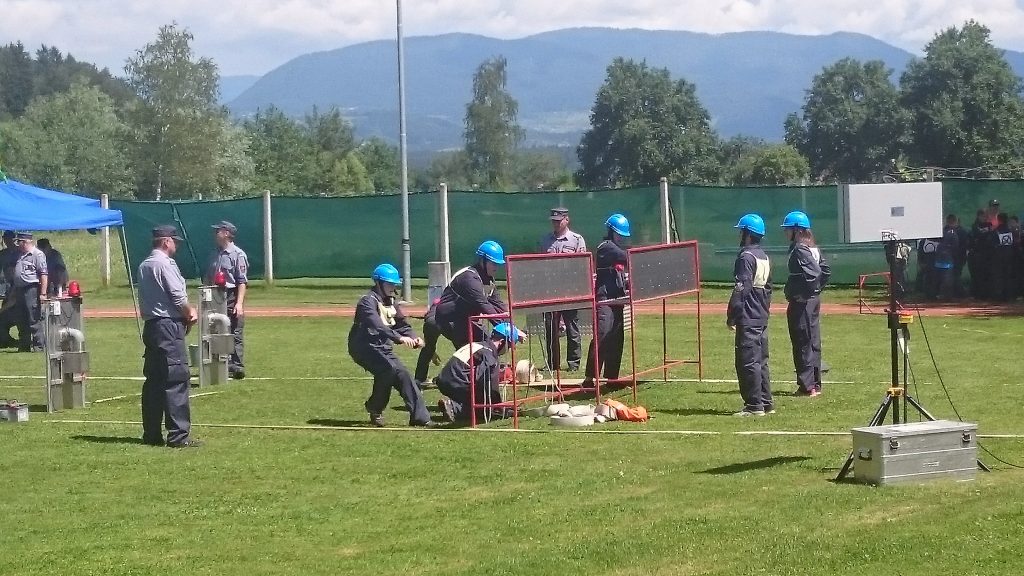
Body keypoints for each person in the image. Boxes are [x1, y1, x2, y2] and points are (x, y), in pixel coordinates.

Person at [348, 263, 436, 428]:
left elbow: (401, 324)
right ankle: (375, 408)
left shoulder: (391, 302)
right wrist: (399, 338)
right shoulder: (367, 302)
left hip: (382, 348)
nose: (393, 288)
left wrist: (414, 337)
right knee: (388, 369)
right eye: (390, 284)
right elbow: (378, 326)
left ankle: (420, 418)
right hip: (364, 347)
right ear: (378, 283)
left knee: (404, 375)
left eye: (394, 284)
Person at [138, 225, 200, 448]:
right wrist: (190, 312)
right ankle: (178, 436)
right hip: (168, 325)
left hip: (152, 326)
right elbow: (177, 295)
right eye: (175, 241)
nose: (177, 245)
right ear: (166, 241)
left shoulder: (144, 265)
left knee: (154, 380)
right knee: (176, 378)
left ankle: (151, 433)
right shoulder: (165, 264)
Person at [416, 241, 510, 387]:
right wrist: (507, 331)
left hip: (459, 319)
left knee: (476, 349)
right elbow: (484, 305)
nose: (496, 267)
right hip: (440, 318)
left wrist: (511, 327)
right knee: (433, 348)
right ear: (482, 260)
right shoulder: (469, 278)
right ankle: (422, 380)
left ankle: (456, 379)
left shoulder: (488, 281)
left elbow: (498, 305)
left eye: (498, 264)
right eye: (493, 263)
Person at [727, 214, 773, 417]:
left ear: (747, 234)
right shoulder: (763, 256)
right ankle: (766, 402)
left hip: (748, 315)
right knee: (761, 361)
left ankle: (754, 406)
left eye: (741, 231)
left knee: (747, 361)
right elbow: (768, 288)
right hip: (761, 314)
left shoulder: (746, 257)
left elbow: (741, 288)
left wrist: (732, 315)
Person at [782, 211, 830, 397]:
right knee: (812, 341)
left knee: (802, 341)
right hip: (812, 300)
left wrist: (803, 294)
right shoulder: (813, 248)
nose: (785, 232)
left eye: (788, 229)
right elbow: (825, 271)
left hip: (803, 302)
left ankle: (807, 387)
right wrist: (816, 291)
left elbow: (815, 273)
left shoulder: (800, 249)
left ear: (798, 230)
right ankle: (815, 384)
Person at [435, 322, 520, 424]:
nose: (508, 350)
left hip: (444, 380)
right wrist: (497, 405)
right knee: (484, 409)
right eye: (509, 346)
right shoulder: (490, 356)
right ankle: (454, 408)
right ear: (502, 342)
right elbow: (486, 383)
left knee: (478, 399)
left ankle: (454, 404)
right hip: (457, 382)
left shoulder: (477, 345)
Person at [584, 213, 631, 386]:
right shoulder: (606, 247)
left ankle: (612, 377)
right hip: (604, 300)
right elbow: (626, 257)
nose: (621, 238)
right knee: (602, 335)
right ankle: (590, 378)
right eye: (619, 234)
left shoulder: (617, 249)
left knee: (617, 338)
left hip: (617, 299)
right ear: (611, 231)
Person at [539, 207, 587, 371]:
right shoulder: (545, 240)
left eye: (558, 221)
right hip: (550, 290)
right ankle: (553, 364)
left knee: (572, 326)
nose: (555, 223)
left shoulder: (576, 240)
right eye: (553, 221)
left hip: (569, 290)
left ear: (567, 220)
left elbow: (582, 265)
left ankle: (574, 363)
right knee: (551, 328)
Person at [205, 221, 249, 379]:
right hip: (215, 294)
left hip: (231, 295)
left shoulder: (238, 254)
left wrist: (239, 303)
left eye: (218, 231)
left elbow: (242, 282)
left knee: (235, 331)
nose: (215, 234)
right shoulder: (215, 253)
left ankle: (236, 366)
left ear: (226, 233)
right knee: (215, 329)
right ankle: (218, 363)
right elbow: (208, 277)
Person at [10, 232, 48, 352]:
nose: (17, 245)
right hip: (19, 289)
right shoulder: (19, 255)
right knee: (21, 318)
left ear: (25, 242)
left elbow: (43, 274)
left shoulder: (37, 254)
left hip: (31, 289)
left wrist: (43, 293)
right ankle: (24, 345)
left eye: (19, 242)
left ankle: (39, 346)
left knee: (34, 317)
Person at [0, 231, 18, 348]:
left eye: (9, 238)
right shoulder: (2, 254)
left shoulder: (19, 253)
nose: (7, 241)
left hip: (16, 290)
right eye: (5, 238)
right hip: (5, 289)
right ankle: (5, 340)